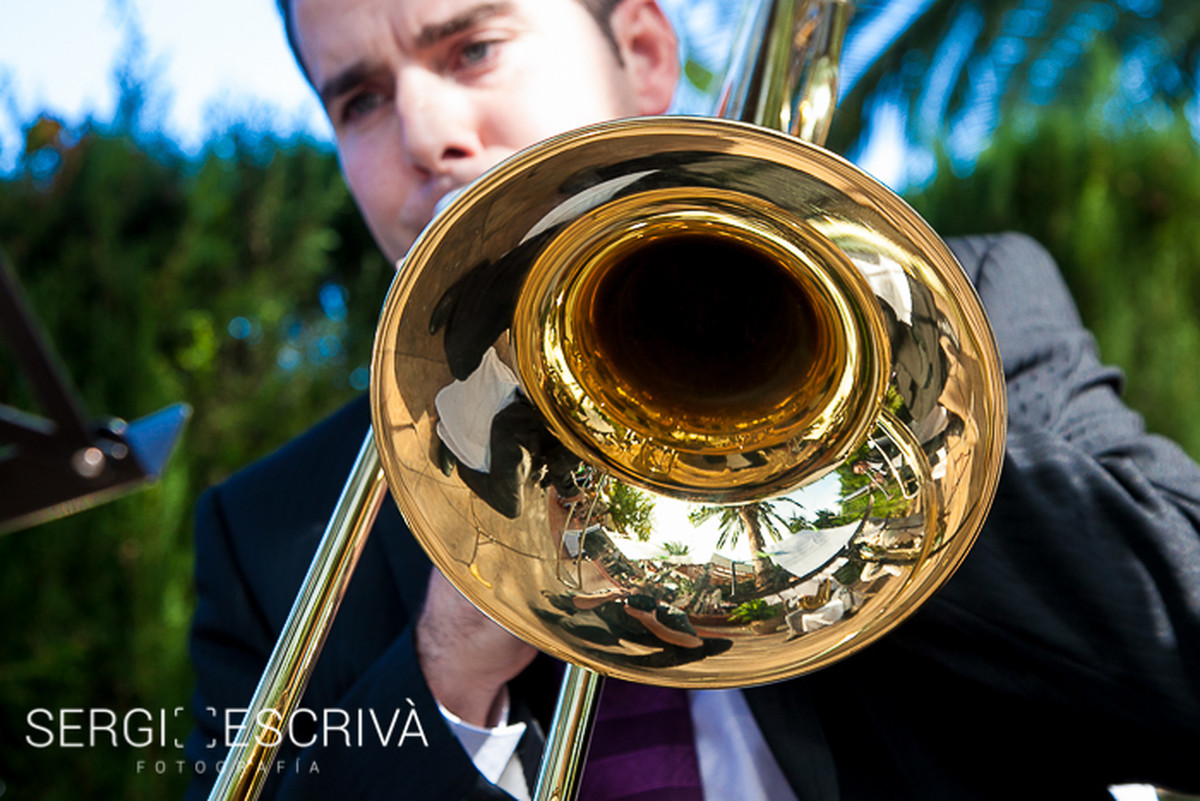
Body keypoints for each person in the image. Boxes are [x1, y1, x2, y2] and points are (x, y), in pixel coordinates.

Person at [183, 0, 1200, 799]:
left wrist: (864, 449)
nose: (425, 131)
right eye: (358, 100)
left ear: (642, 54)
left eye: (474, 48)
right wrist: (449, 668)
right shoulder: (268, 529)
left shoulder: (972, 306)